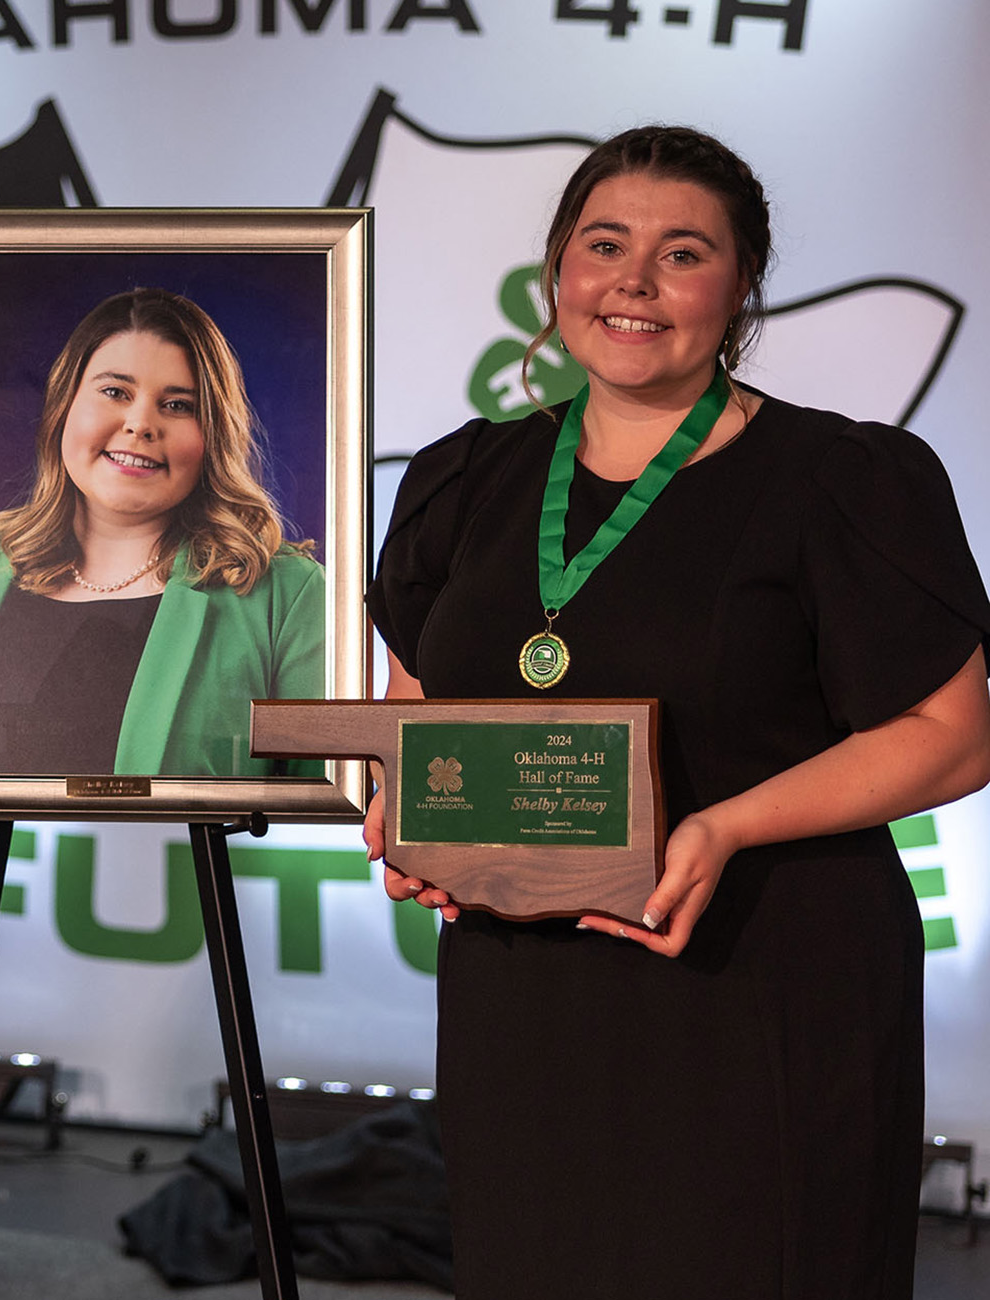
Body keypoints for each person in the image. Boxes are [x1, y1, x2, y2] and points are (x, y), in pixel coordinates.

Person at [367, 125, 990, 1298]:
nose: (634, 283)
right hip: (528, 992)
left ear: (740, 287)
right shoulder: (466, 476)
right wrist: (413, 814)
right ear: (557, 272)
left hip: (760, 981)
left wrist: (722, 825)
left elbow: (951, 735)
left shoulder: (841, 479)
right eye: (604, 245)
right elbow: (418, 709)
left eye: (682, 253)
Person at [0, 287, 323, 776]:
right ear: (65, 406)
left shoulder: (288, 597)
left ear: (214, 435)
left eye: (179, 405)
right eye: (115, 392)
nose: (140, 424)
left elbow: (320, 811)